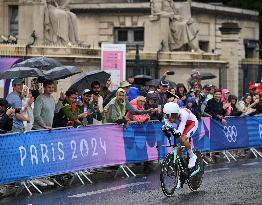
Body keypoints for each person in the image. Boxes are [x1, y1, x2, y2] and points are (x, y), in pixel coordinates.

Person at [162, 102, 198, 169]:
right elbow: (167, 126)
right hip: (182, 125)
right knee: (178, 149)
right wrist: (165, 129)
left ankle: (192, 155)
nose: (168, 118)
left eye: (171, 116)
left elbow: (180, 132)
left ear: (174, 114)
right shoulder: (166, 116)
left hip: (191, 124)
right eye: (167, 115)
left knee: (182, 138)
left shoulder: (183, 114)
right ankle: (182, 164)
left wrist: (172, 129)